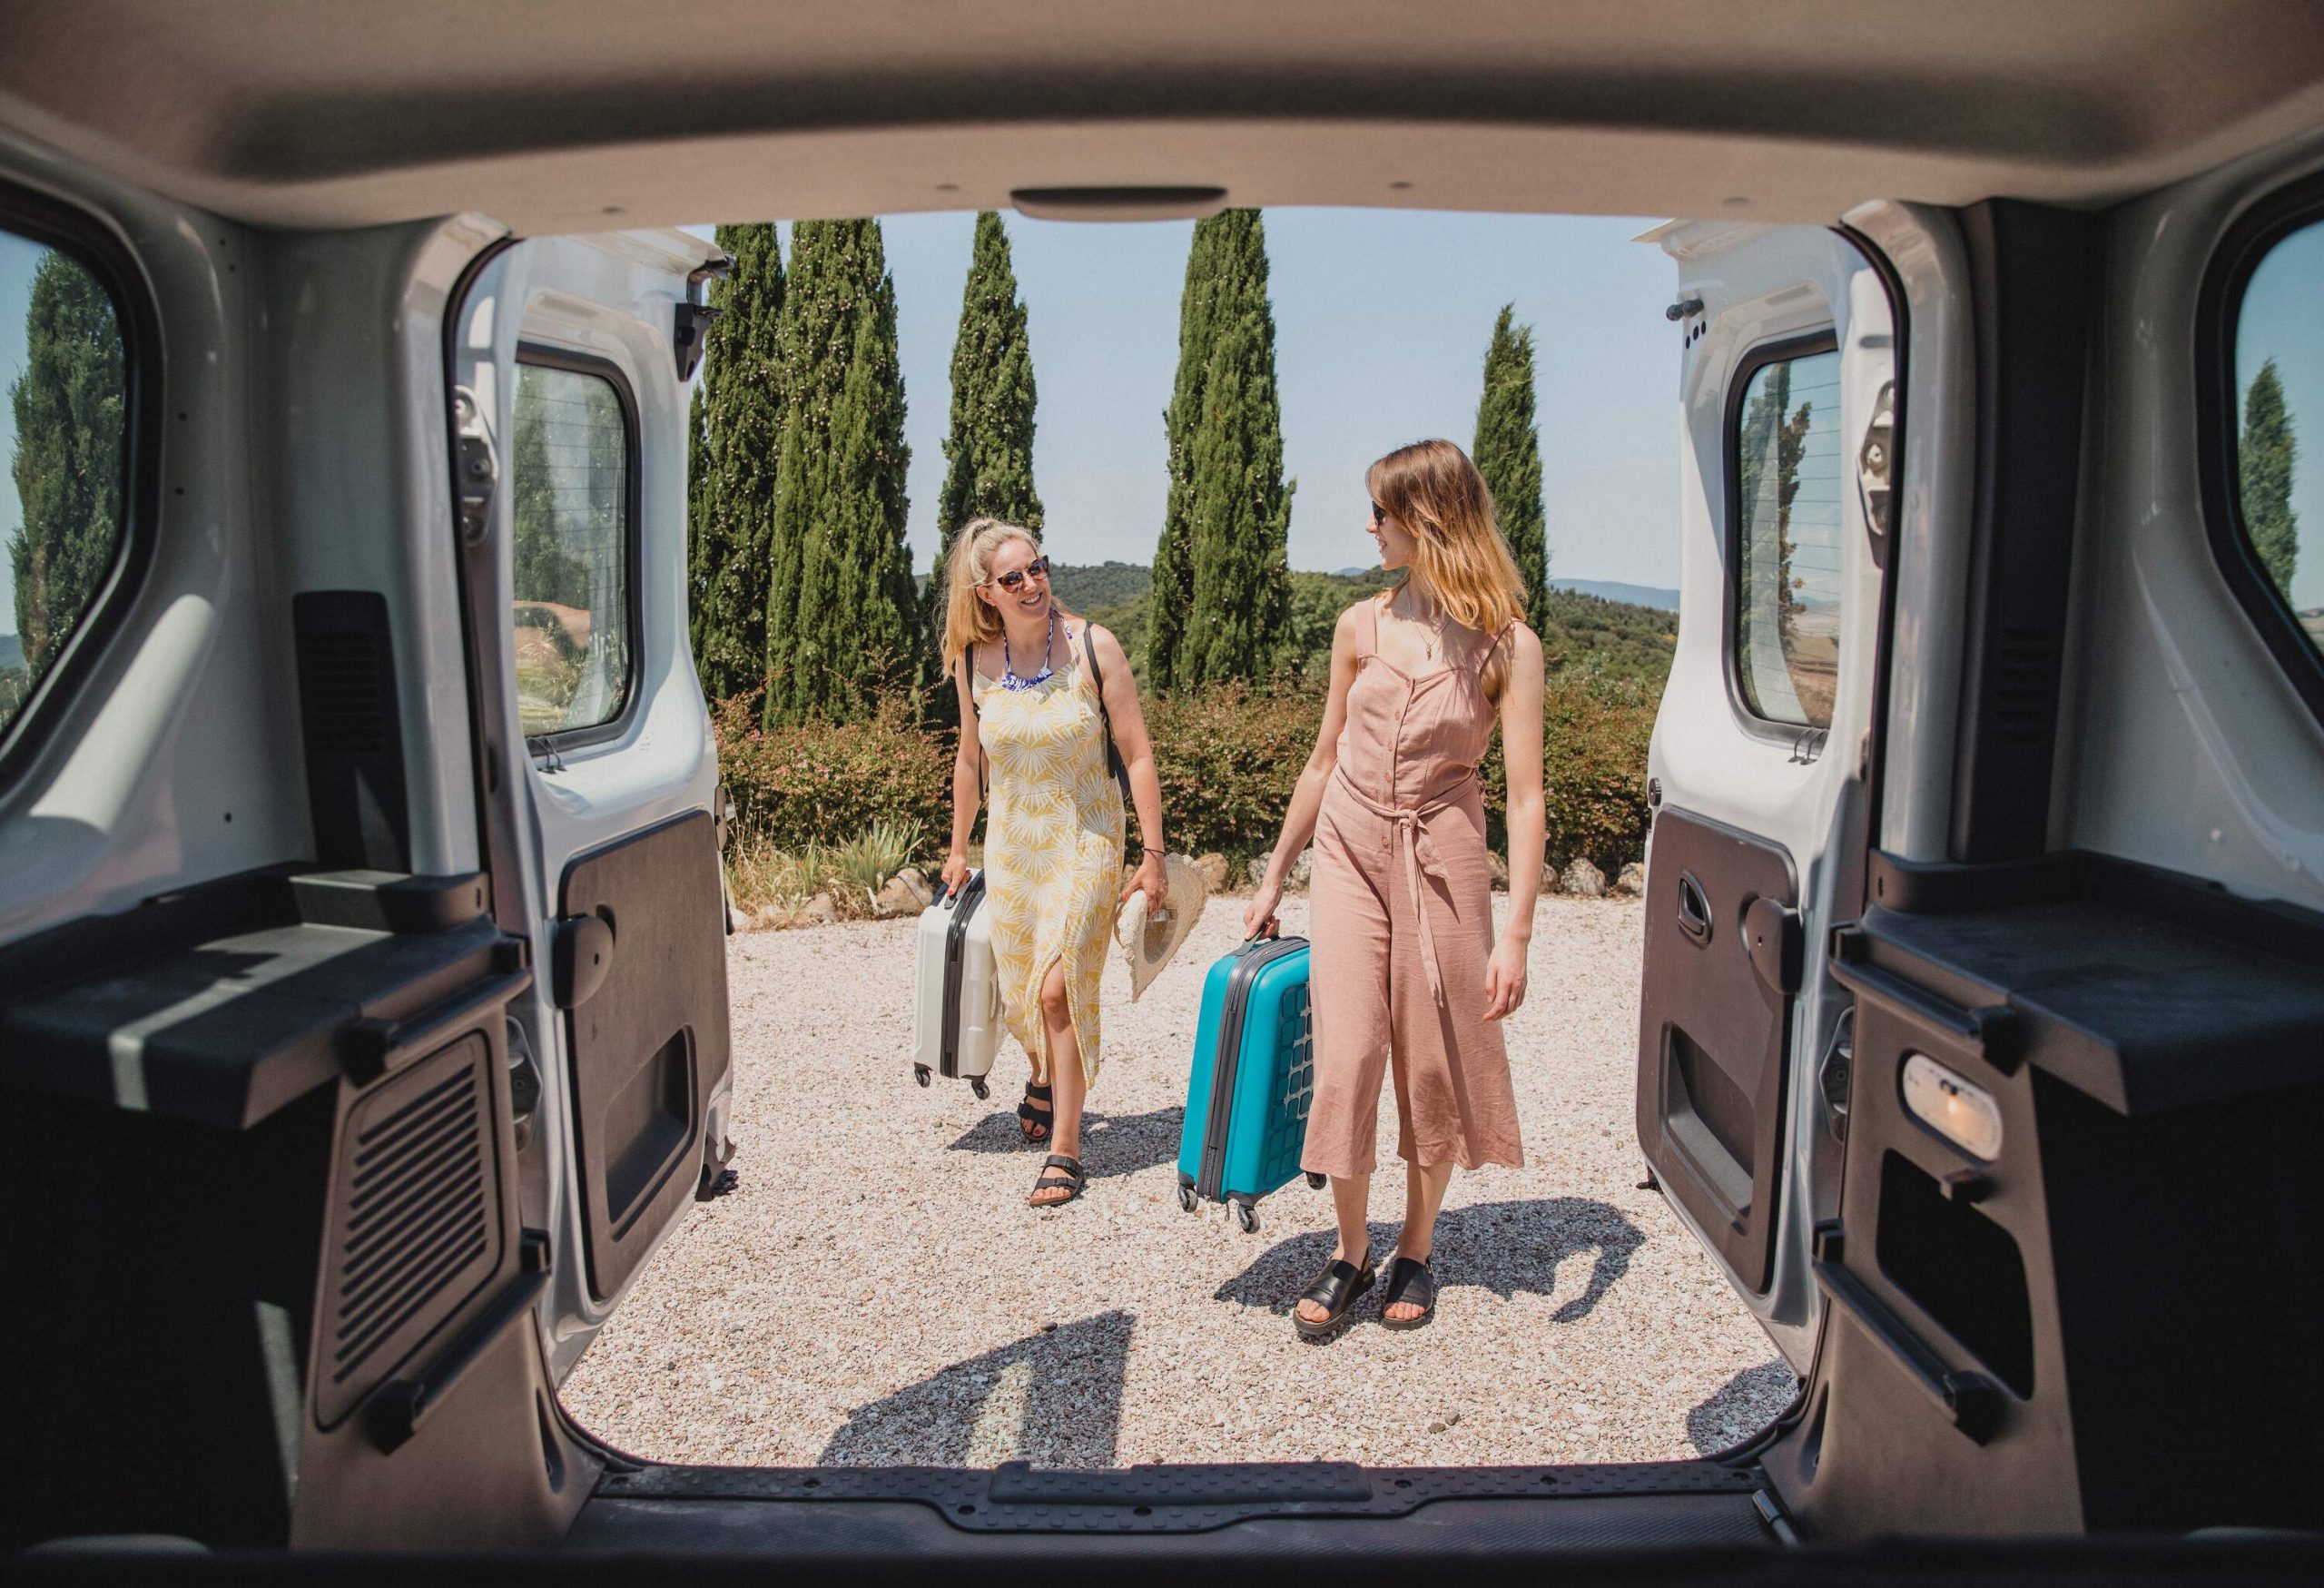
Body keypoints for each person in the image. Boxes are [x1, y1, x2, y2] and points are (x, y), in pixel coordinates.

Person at [1245, 439, 1547, 1335]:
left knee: (1429, 1061)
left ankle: (1414, 1248)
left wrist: (1518, 936)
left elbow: (1527, 799)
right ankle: (1349, 1251)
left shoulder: (1507, 646)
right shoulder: (1357, 627)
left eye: (1382, 512)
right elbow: (1322, 759)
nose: (1369, 527)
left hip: (1443, 859)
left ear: (1426, 519)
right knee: (1349, 1054)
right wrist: (1273, 874)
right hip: (1348, 847)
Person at [940, 518, 1169, 1208]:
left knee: (1056, 991)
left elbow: (1138, 756)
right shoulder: (972, 661)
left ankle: (1065, 1148)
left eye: (1037, 568)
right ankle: (1042, 1072)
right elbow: (968, 760)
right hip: (1013, 851)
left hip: (1088, 841)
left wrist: (1153, 855)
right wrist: (957, 848)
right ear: (987, 593)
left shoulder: (1095, 647)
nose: (1032, 583)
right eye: (1013, 578)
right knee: (1022, 995)